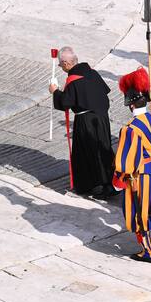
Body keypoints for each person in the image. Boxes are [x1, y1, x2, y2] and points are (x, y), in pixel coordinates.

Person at [112, 67, 151, 263]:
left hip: (139, 175)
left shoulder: (130, 129)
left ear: (130, 105)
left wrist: (118, 178)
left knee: (138, 211)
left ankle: (147, 250)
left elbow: (124, 161)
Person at [49, 47, 114, 196]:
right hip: (103, 118)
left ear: (66, 64)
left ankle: (87, 185)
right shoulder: (93, 73)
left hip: (86, 121)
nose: (61, 67)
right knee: (103, 149)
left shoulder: (73, 80)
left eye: (61, 64)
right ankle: (109, 183)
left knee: (85, 154)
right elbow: (105, 91)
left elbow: (65, 103)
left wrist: (55, 92)